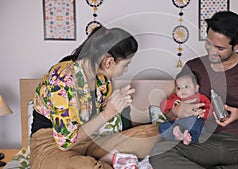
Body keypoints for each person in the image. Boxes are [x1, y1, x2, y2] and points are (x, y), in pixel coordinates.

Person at [149, 11, 238, 169]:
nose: (211, 51)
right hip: (201, 141)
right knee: (159, 152)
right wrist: (177, 111)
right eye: (209, 43)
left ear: (237, 45)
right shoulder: (194, 66)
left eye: (220, 48)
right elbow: (169, 111)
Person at [30, 26, 160, 169]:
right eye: (126, 65)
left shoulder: (102, 81)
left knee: (155, 134)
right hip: (52, 147)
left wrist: (113, 104)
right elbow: (65, 143)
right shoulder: (62, 78)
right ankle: (105, 161)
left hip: (89, 140)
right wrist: (108, 113)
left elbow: (93, 120)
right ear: (109, 62)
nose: (126, 70)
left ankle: (107, 159)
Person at [158, 70, 211, 145]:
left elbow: (210, 109)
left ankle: (190, 139)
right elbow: (162, 106)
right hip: (178, 124)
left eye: (186, 86)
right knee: (162, 127)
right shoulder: (175, 98)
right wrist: (172, 103)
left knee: (197, 121)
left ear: (196, 88)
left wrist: (203, 113)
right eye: (179, 88)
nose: (182, 90)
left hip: (193, 123)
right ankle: (178, 136)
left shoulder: (200, 98)